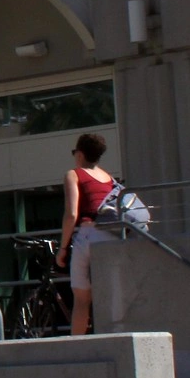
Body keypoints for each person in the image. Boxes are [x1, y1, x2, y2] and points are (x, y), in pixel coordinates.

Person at [56, 133, 119, 336]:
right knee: (111, 295)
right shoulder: (110, 179)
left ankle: (78, 345)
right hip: (112, 237)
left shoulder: (74, 174)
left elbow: (71, 214)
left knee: (82, 298)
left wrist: (63, 248)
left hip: (88, 235)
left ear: (80, 154)